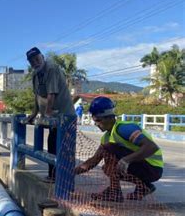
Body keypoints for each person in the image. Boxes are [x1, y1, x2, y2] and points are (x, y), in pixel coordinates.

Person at [74, 96, 163, 201]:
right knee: (106, 167)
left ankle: (114, 192)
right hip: (142, 168)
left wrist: (126, 160)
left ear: (110, 117)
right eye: (95, 121)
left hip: (153, 169)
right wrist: (71, 173)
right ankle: (144, 187)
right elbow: (94, 161)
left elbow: (151, 147)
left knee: (109, 150)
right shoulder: (106, 137)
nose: (97, 124)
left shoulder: (124, 128)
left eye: (98, 120)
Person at [25, 47, 76, 182]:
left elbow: (51, 93)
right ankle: (54, 176)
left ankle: (63, 178)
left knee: (61, 146)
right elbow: (37, 95)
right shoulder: (35, 74)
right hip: (51, 116)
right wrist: (34, 113)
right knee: (52, 144)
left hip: (64, 114)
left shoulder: (51, 68)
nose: (35, 63)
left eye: (37, 59)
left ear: (42, 57)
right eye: (32, 61)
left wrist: (47, 112)